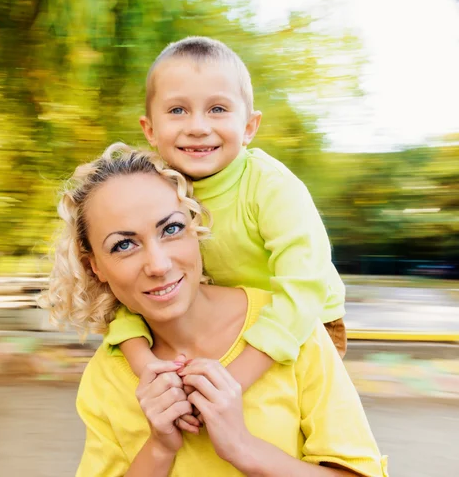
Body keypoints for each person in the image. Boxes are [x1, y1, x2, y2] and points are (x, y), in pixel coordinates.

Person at [44, 144, 388, 476]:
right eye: (123, 245)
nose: (158, 264)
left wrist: (244, 450)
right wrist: (160, 448)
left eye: (172, 229)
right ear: (96, 268)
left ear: (196, 227)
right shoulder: (106, 378)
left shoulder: (293, 329)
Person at [107, 38, 348, 415]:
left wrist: (236, 376)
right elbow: (134, 288)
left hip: (305, 321)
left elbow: (305, 286)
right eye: (177, 110)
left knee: (270, 420)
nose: (198, 127)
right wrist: (144, 363)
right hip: (221, 323)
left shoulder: (270, 186)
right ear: (150, 129)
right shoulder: (157, 190)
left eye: (217, 109)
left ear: (249, 126)